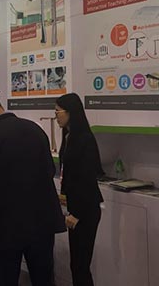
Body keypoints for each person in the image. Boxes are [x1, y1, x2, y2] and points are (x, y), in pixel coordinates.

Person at [0, 95, 65, 286]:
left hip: (4, 228)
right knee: (43, 278)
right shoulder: (35, 130)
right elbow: (50, 170)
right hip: (41, 223)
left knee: (4, 279)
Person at [55, 93, 104, 286]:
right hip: (74, 207)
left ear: (70, 112)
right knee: (76, 264)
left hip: (85, 210)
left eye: (58, 111)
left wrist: (77, 214)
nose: (56, 116)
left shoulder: (84, 139)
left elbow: (87, 179)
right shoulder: (68, 137)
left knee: (80, 265)